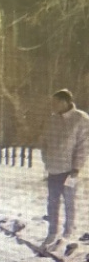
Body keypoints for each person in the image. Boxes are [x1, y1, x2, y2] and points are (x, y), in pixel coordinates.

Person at [41, 89, 89, 248]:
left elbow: (83, 146)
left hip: (70, 170)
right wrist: (46, 159)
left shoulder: (81, 119)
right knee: (52, 202)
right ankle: (52, 232)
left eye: (55, 102)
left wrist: (76, 168)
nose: (52, 106)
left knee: (69, 202)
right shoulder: (52, 119)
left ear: (65, 102)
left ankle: (67, 233)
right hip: (53, 169)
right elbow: (45, 142)